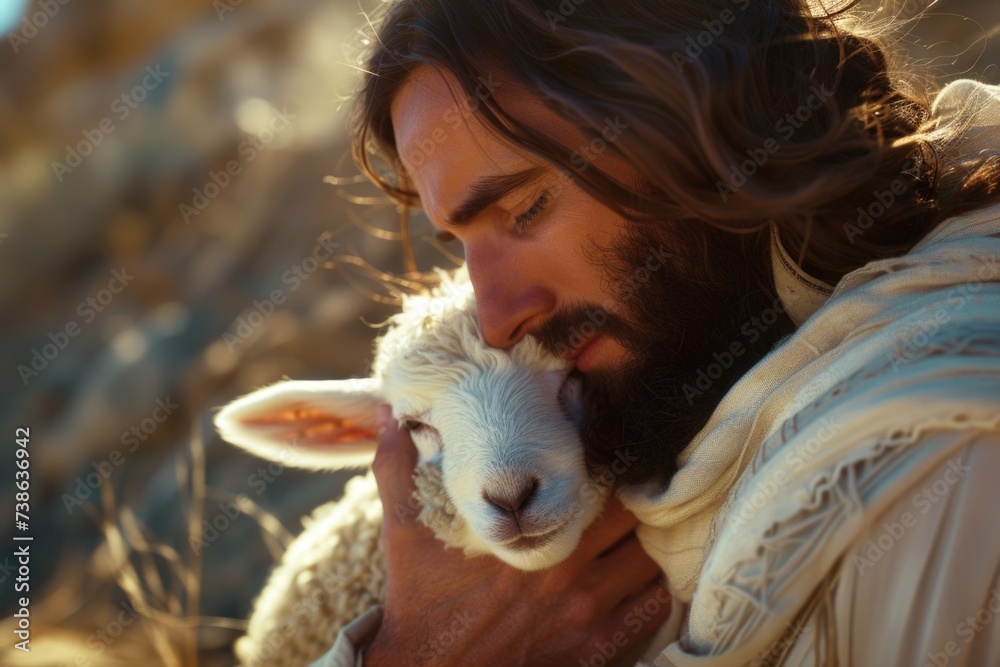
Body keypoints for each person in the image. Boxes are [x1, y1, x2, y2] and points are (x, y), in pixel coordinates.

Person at [311, 0, 1000, 664]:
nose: (494, 320)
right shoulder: (696, 443)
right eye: (459, 244)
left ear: (691, 114)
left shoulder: (937, 469)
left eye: (526, 207)